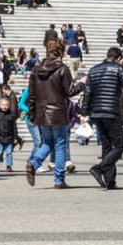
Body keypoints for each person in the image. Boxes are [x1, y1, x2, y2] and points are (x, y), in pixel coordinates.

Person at [25, 38, 85, 189]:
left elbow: (31, 95)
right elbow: (70, 91)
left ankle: (34, 162)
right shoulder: (62, 68)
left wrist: (32, 115)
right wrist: (82, 83)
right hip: (57, 112)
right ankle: (59, 179)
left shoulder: (36, 69)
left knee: (48, 142)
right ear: (60, 51)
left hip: (42, 112)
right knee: (60, 145)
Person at [84, 47, 123, 189]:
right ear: (119, 58)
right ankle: (99, 168)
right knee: (119, 147)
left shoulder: (93, 70)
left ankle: (110, 181)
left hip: (97, 113)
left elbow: (87, 93)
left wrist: (85, 111)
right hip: (112, 111)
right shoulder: (119, 69)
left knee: (106, 146)